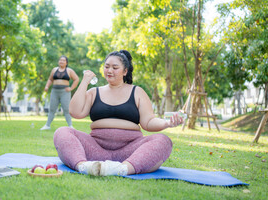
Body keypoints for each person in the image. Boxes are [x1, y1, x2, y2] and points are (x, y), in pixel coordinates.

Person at [53, 50, 183, 176]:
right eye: (107, 67)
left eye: (115, 68)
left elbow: (148, 122)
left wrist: (167, 123)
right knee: (62, 132)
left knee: (162, 140)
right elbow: (75, 112)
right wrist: (84, 82)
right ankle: (84, 166)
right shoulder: (94, 92)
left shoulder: (137, 92)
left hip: (131, 151)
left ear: (125, 71)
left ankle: (123, 169)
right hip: (95, 148)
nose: (109, 71)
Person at [41, 55, 79, 130]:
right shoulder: (54, 70)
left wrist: (71, 88)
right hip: (54, 91)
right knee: (52, 108)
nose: (61, 61)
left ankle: (70, 126)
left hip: (64, 92)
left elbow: (76, 79)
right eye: (60, 60)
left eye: (63, 60)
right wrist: (47, 86)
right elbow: (50, 79)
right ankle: (47, 125)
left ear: (66, 62)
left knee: (66, 109)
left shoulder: (69, 70)